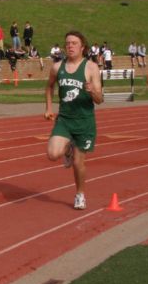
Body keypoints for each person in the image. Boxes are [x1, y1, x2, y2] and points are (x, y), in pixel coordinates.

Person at [44, 31, 104, 210]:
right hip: (64, 119)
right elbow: (49, 87)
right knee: (53, 154)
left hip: (84, 121)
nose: (70, 46)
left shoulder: (91, 68)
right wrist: (48, 108)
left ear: (82, 47)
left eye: (74, 43)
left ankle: (80, 194)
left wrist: (92, 90)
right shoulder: (57, 67)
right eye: (67, 43)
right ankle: (67, 148)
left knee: (79, 163)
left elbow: (99, 99)